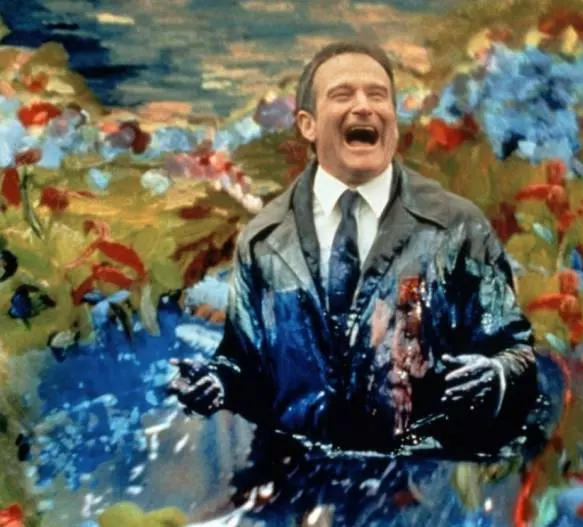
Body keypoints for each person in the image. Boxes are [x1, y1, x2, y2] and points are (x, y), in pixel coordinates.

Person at [167, 41, 539, 458]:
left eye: (377, 95)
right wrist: (218, 383)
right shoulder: (263, 240)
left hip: (418, 474)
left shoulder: (458, 228)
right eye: (343, 94)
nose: (364, 107)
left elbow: (517, 352)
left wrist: (496, 376)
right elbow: (246, 364)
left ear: (393, 120)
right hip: (296, 471)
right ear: (307, 125)